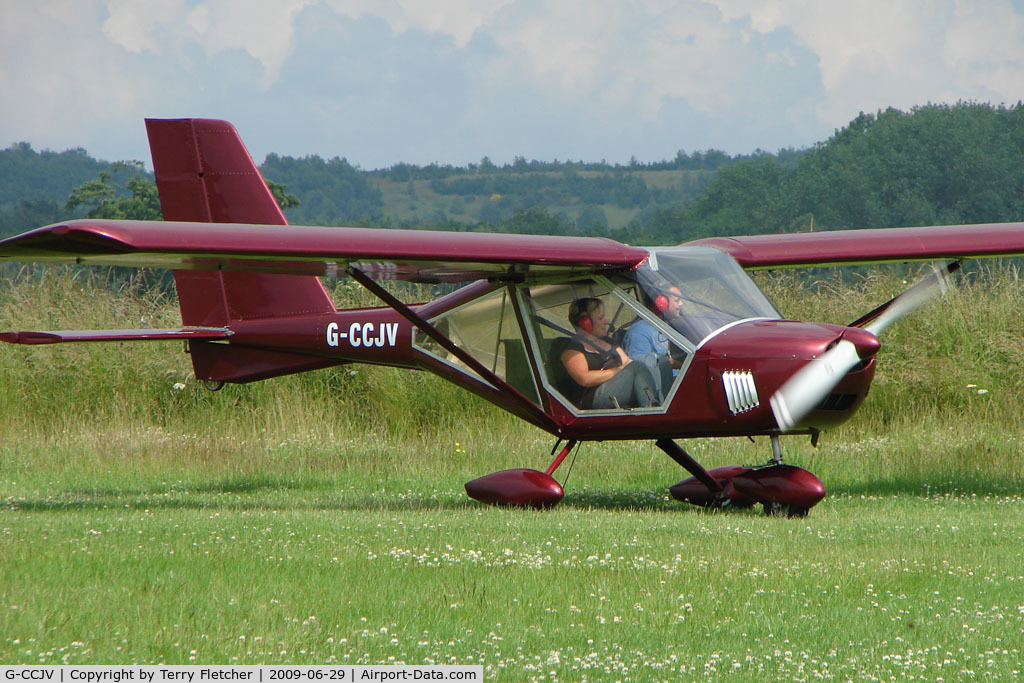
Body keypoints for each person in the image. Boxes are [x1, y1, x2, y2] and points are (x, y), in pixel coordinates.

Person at [554, 297, 658, 410]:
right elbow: (584, 379)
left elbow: (628, 362)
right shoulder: (572, 350)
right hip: (594, 398)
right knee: (636, 366)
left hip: (618, 389)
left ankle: (659, 406)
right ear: (585, 323)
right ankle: (652, 409)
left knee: (660, 363)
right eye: (601, 318)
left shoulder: (608, 341)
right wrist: (619, 370)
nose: (606, 321)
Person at [623, 286, 684, 399]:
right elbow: (642, 375)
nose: (681, 304)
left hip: (674, 383)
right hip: (664, 397)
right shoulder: (639, 332)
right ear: (662, 303)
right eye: (677, 300)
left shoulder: (663, 327)